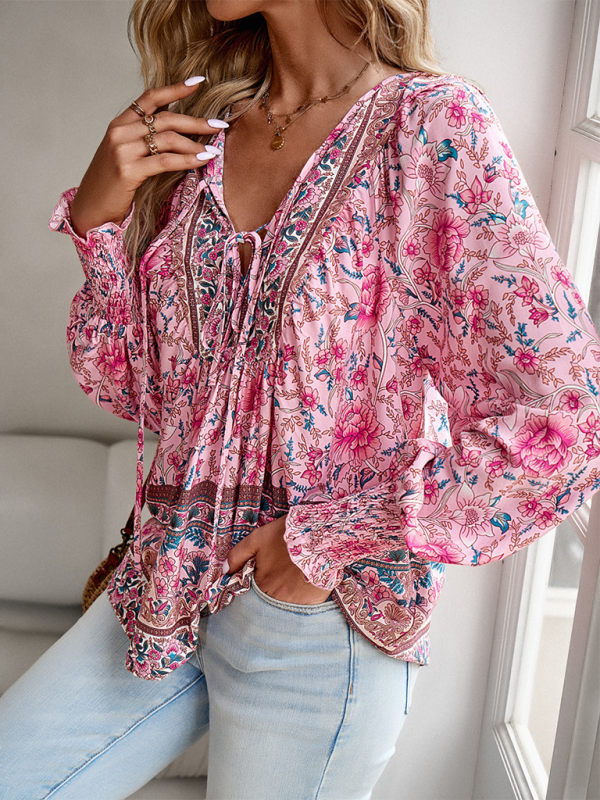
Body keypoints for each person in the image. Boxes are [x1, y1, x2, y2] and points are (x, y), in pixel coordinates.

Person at [2, 0, 600, 797]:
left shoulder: (430, 125)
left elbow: (568, 413)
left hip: (316, 617)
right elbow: (135, 388)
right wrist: (99, 219)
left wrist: (322, 542)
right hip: (164, 584)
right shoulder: (205, 130)